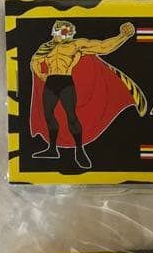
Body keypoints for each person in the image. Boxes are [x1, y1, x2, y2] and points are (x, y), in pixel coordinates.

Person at [29, 21, 140, 169]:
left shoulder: (76, 45)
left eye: (70, 32)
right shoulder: (46, 47)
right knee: (48, 115)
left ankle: (79, 151)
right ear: (55, 31)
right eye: (65, 31)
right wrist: (41, 74)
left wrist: (122, 36)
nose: (68, 34)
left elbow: (103, 47)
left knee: (71, 117)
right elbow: (34, 61)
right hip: (50, 83)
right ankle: (52, 149)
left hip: (65, 83)